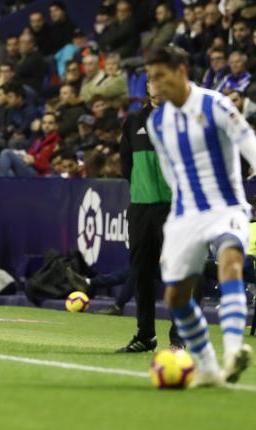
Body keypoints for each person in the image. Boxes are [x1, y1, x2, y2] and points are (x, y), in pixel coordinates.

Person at [145, 46, 255, 386]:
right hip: (185, 215)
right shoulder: (157, 122)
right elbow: (171, 174)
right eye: (151, 78)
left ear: (181, 72)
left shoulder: (216, 103)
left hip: (226, 206)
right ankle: (208, 368)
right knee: (175, 298)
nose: (155, 85)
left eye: (161, 76)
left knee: (231, 259)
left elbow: (248, 140)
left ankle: (234, 351)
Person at [116, 80, 182, 352]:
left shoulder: (183, 118)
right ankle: (145, 335)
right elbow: (125, 163)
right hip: (141, 207)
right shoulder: (134, 120)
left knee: (177, 272)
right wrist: (141, 189)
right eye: (152, 80)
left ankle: (180, 338)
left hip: (175, 207)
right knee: (141, 271)